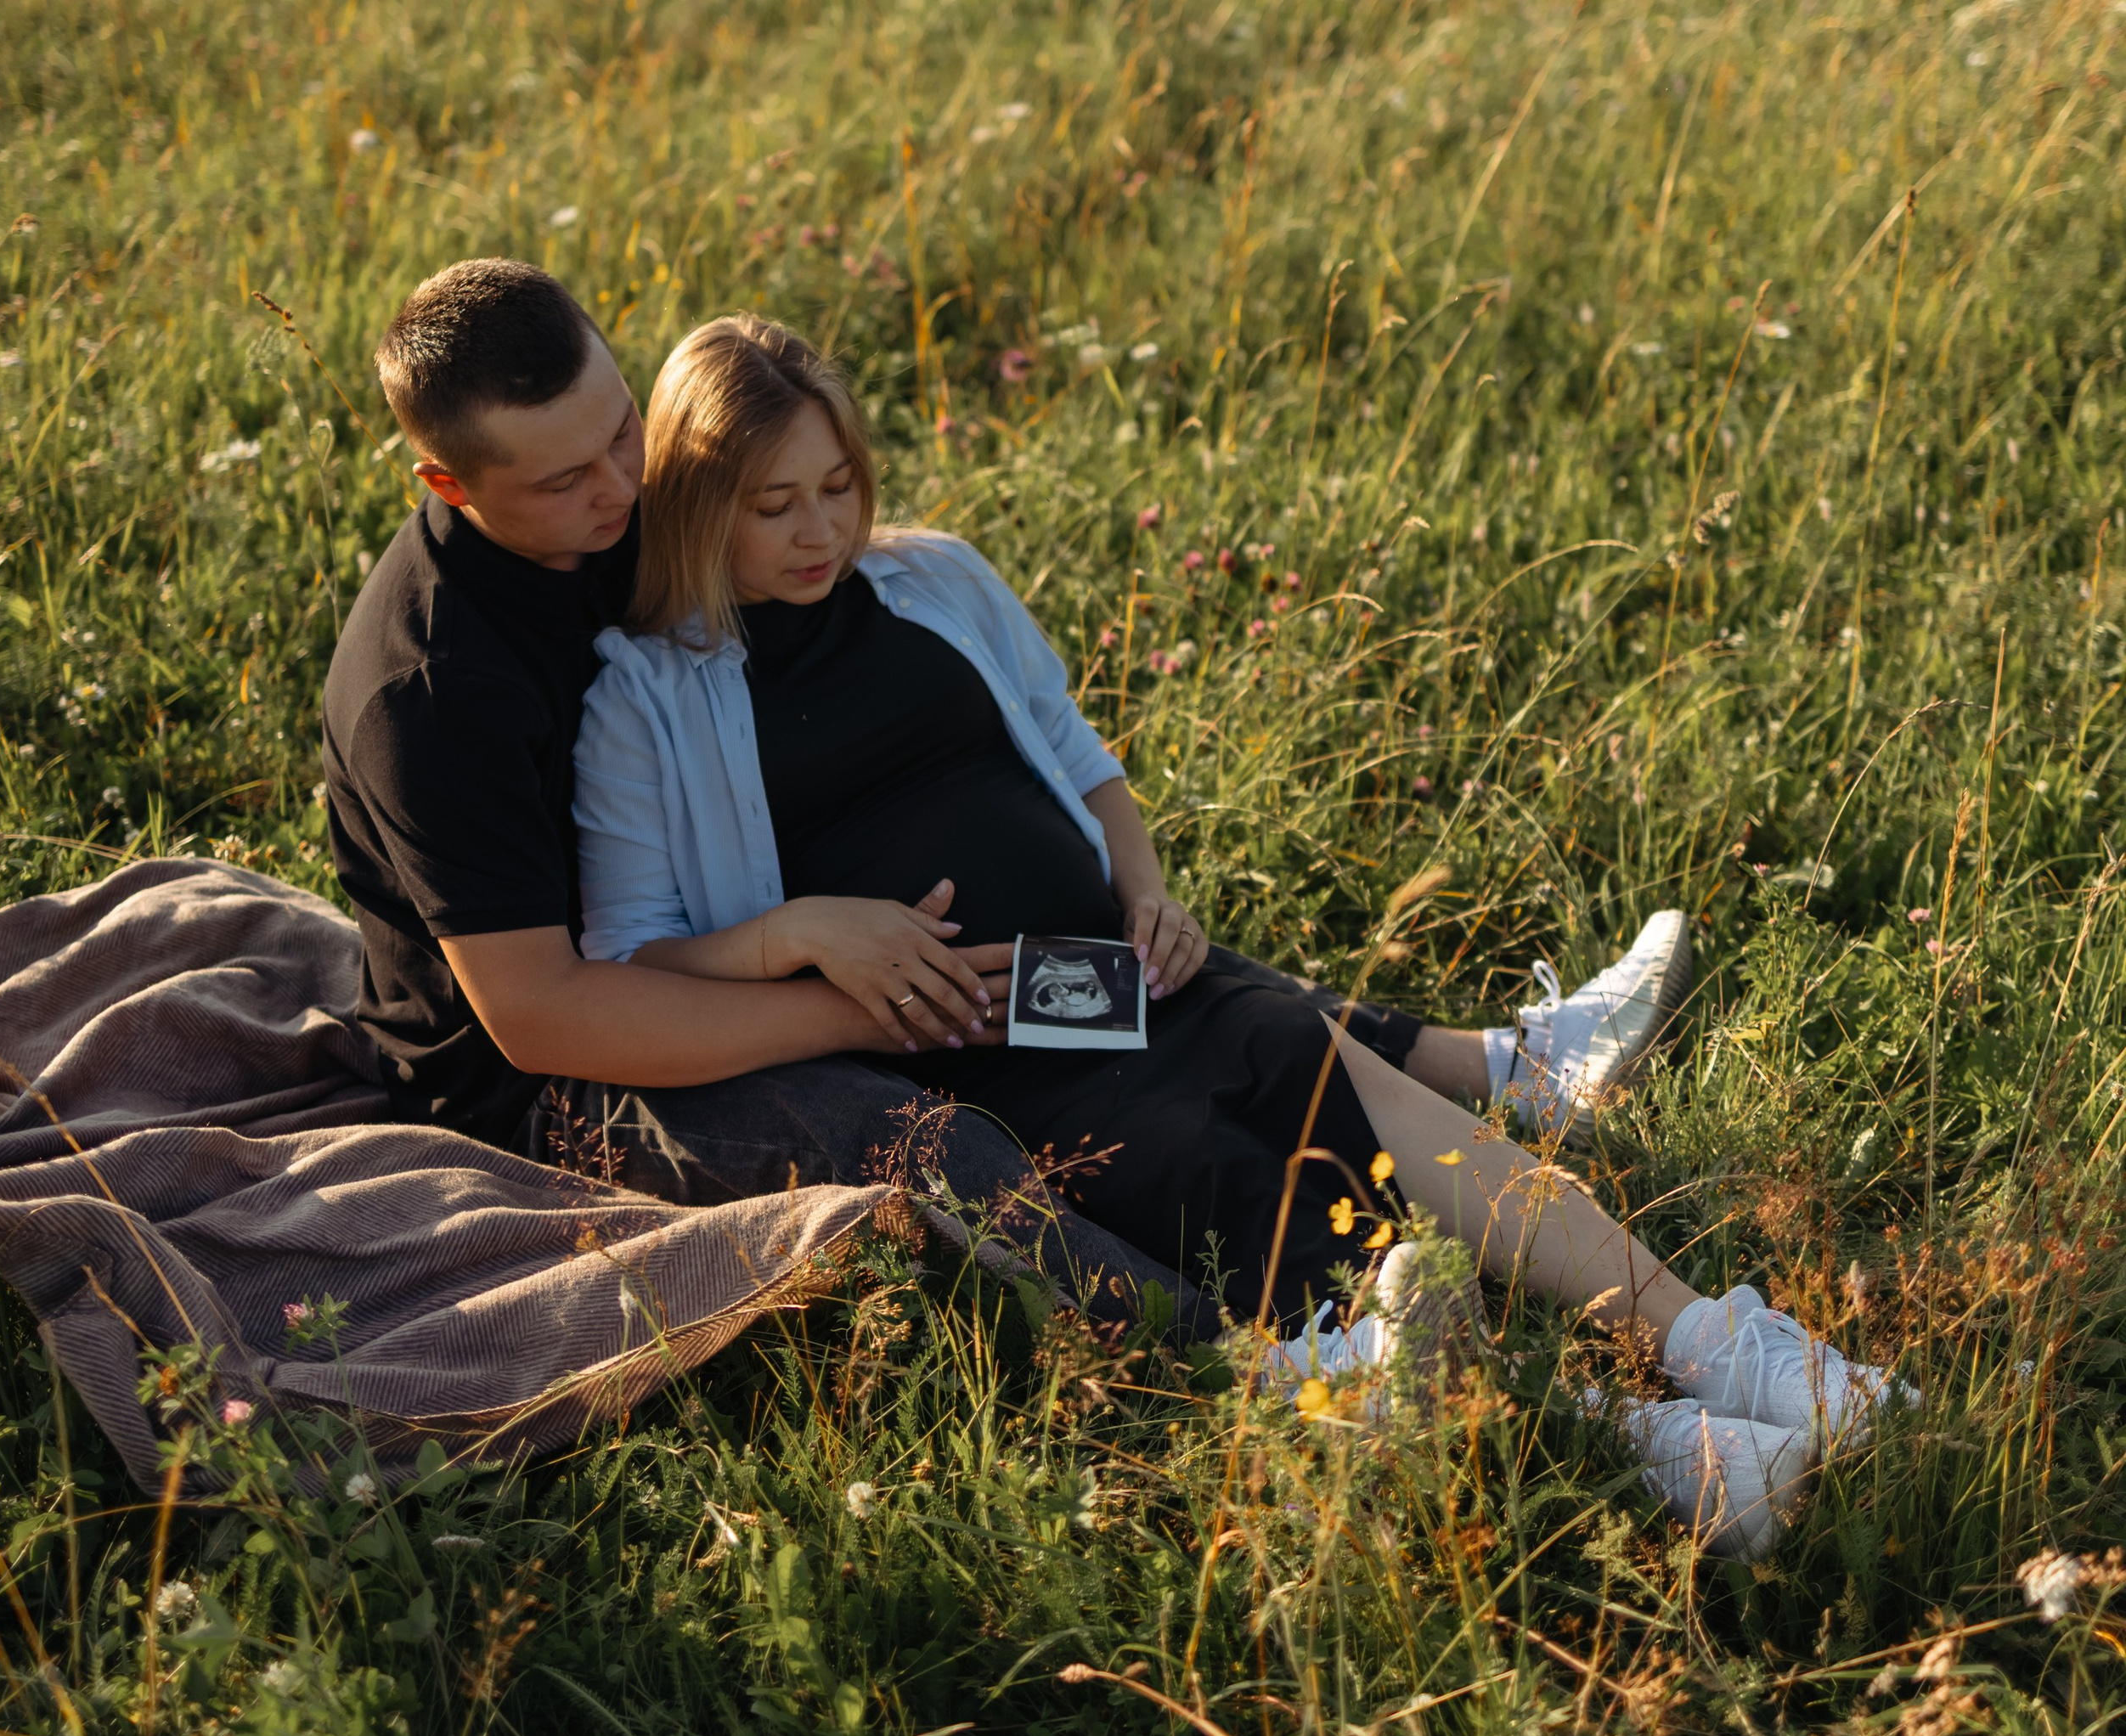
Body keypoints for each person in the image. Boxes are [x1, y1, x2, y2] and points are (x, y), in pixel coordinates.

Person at [570, 313, 1912, 1558]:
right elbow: (634, 953)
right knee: (1252, 1202)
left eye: (839, 486)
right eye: (776, 504)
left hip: (1100, 974)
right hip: (971, 1045)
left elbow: (1080, 759)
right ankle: (1647, 1451)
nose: (822, 529)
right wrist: (801, 932)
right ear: (699, 498)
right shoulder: (645, 690)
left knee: (1340, 1084)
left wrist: (1146, 885)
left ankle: (1729, 1346)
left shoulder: (932, 581)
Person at [322, 259, 1205, 1326]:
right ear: (447, 485)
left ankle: (1424, 1076)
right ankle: (1228, 1360)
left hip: (744, 936)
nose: (619, 487)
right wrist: (847, 1012)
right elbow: (542, 1018)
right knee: (916, 1141)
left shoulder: (625, 514)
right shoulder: (430, 696)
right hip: (568, 1081)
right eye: (563, 480)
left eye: (620, 431)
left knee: (1125, 979)